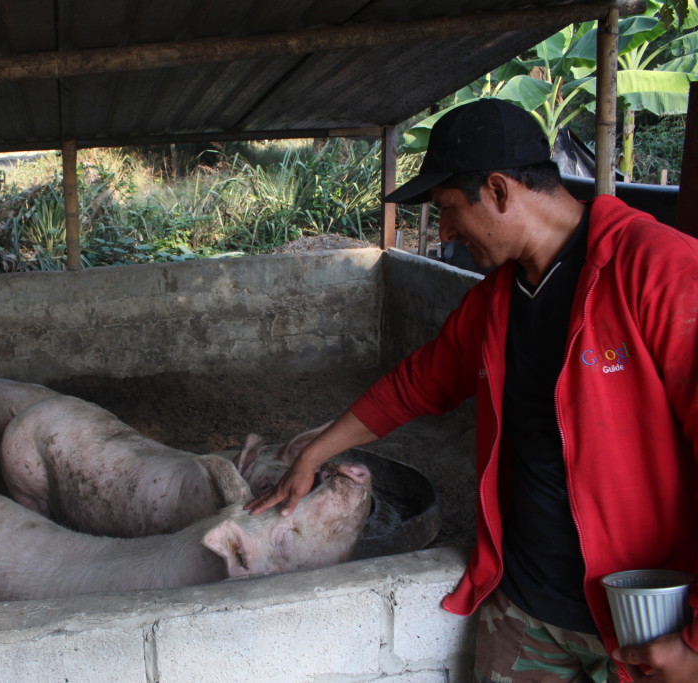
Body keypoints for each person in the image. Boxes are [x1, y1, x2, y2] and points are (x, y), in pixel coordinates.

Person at [245, 98, 698, 683]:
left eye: (450, 210)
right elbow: (417, 384)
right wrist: (313, 453)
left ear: (501, 190)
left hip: (643, 620)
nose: (449, 232)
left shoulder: (659, 269)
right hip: (526, 606)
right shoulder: (497, 300)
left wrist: (693, 641)